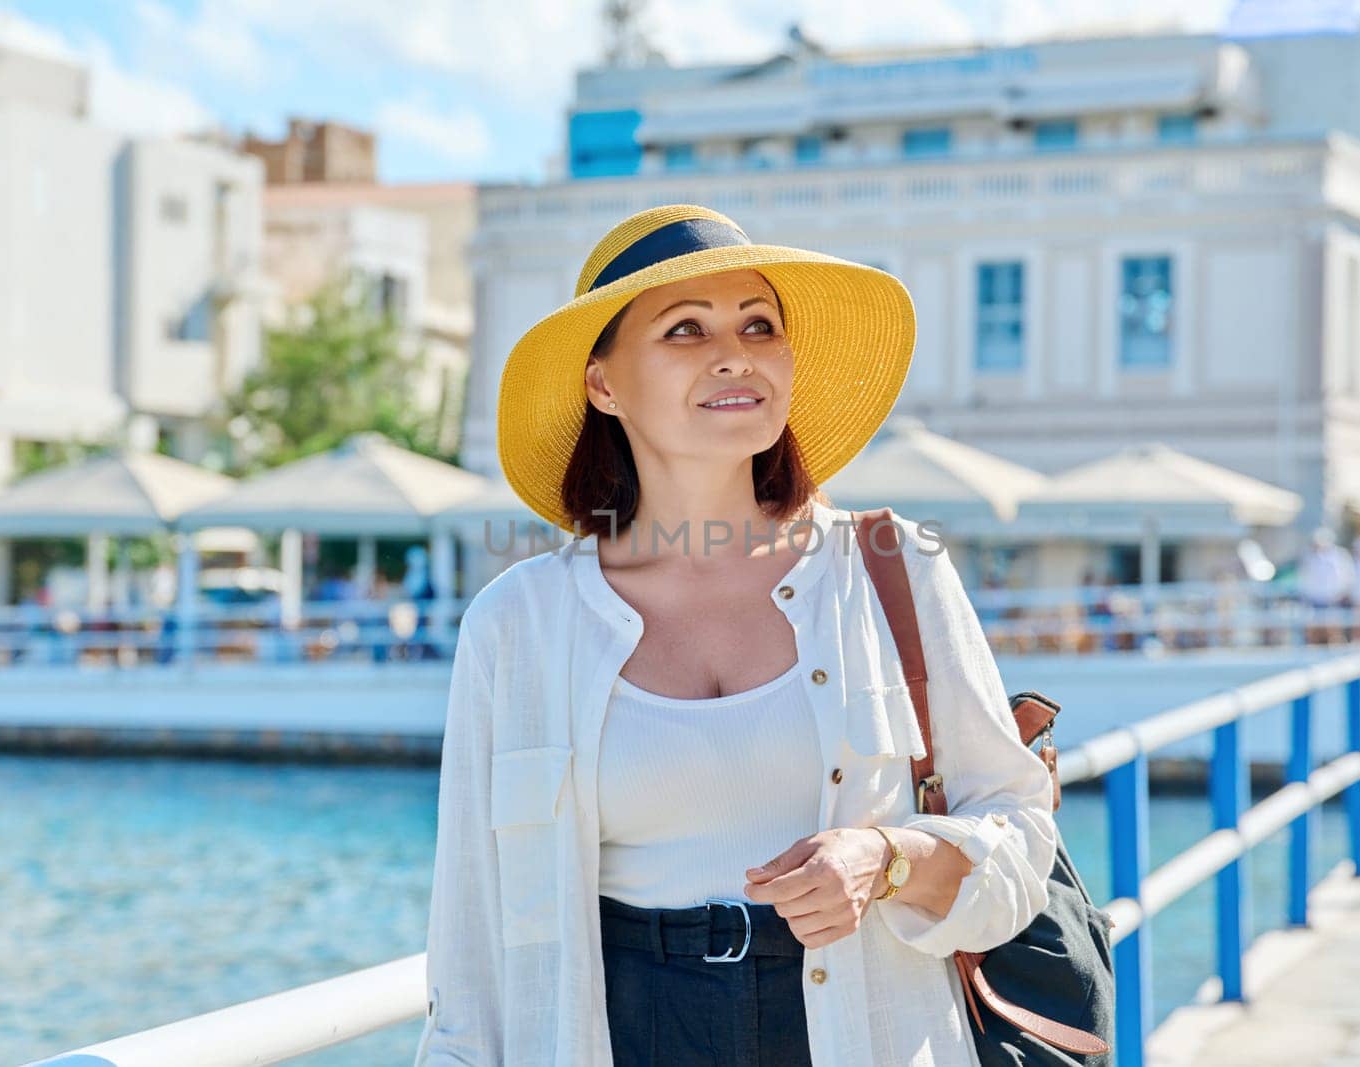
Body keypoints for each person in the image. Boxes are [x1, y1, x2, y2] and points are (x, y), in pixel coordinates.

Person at [413, 205, 1058, 1066]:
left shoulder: (891, 570)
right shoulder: (516, 625)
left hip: (867, 1031)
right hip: (620, 1035)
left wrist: (889, 856)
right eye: (685, 329)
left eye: (759, 325)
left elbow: (1021, 829)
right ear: (602, 385)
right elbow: (470, 948)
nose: (735, 353)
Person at [1298, 526, 1354, 645]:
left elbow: (1346, 576)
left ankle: (1336, 649)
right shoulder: (1309, 557)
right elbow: (1305, 578)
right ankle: (1314, 649)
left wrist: (1341, 593)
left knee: (1333, 626)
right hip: (1314, 598)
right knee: (1313, 626)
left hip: (1333, 597)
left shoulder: (1339, 556)